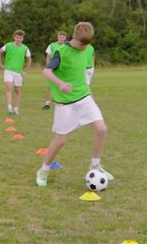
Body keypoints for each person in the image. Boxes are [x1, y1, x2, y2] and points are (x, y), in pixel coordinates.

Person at [36, 22, 113, 188]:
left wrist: (89, 92)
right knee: (61, 140)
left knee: (101, 129)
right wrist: (60, 83)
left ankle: (95, 165)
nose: (85, 47)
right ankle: (44, 169)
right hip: (65, 103)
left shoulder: (87, 49)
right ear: (74, 38)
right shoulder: (61, 51)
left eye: (88, 44)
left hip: (84, 97)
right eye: (82, 44)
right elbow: (46, 71)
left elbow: (83, 74)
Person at [0, 29, 31, 115]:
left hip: (18, 72)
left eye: (20, 38)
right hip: (8, 70)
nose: (18, 39)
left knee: (18, 91)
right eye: (17, 37)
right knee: (8, 87)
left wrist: (25, 70)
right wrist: (0, 64)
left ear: (22, 39)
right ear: (14, 37)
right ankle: (9, 107)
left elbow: (29, 59)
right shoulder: (8, 45)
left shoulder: (25, 48)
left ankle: (16, 108)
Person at [42, 30, 68, 110]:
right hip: (53, 68)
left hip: (63, 68)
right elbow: (48, 57)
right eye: (60, 37)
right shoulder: (52, 45)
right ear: (58, 37)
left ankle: (63, 102)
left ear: (65, 38)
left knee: (63, 85)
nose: (62, 38)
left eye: (63, 37)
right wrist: (49, 67)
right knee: (50, 86)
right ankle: (47, 103)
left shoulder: (67, 46)